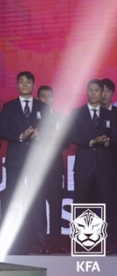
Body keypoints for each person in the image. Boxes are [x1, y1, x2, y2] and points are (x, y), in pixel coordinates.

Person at [0, 71, 47, 254]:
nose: (25, 84)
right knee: (12, 200)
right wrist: (20, 136)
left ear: (34, 85)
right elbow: (1, 131)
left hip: (36, 161)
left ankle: (40, 242)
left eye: (28, 82)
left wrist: (39, 134)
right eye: (21, 81)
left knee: (38, 200)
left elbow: (51, 131)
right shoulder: (9, 106)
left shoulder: (43, 107)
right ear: (17, 85)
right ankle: (13, 241)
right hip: (15, 160)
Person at [68, 79, 117, 252]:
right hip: (83, 166)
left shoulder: (111, 114)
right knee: (82, 203)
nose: (94, 93)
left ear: (103, 91)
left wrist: (106, 142)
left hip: (105, 166)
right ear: (87, 91)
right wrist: (91, 141)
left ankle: (110, 244)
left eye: (97, 90)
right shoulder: (77, 113)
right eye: (91, 90)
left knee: (108, 205)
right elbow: (70, 137)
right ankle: (82, 244)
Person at [36, 85, 67, 253]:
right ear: (38, 98)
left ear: (53, 99)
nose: (46, 99)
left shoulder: (61, 117)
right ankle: (41, 243)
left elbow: (68, 140)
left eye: (49, 96)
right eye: (43, 97)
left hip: (55, 168)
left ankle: (55, 242)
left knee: (56, 205)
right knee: (39, 207)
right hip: (37, 169)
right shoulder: (32, 118)